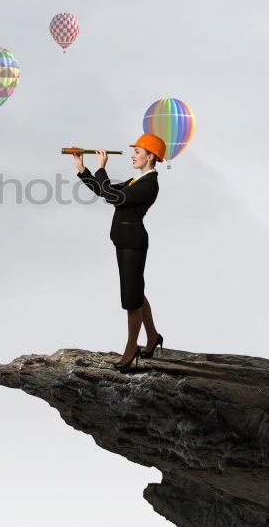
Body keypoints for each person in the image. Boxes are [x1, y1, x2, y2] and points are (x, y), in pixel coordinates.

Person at [71, 134, 166, 370]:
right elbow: (105, 191)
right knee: (136, 291)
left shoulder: (149, 184)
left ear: (150, 156)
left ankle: (131, 348)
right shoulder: (136, 181)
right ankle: (153, 337)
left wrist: (102, 168)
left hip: (133, 244)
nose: (133, 156)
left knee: (131, 299)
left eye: (137, 152)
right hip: (125, 242)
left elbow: (113, 197)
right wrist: (83, 170)